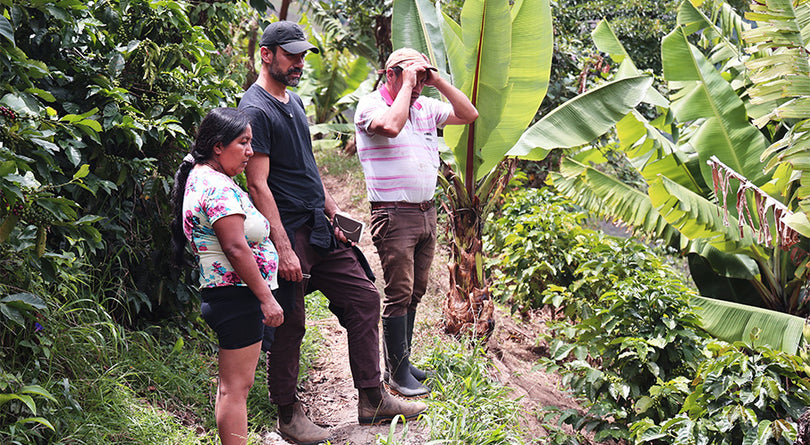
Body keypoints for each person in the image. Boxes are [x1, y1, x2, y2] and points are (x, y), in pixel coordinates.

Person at [238, 21, 427, 445]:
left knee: (363, 297)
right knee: (290, 323)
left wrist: (335, 212)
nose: (299, 63)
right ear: (266, 54)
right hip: (286, 232)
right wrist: (282, 247)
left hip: (319, 227)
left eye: (304, 56)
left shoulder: (295, 101)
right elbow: (258, 183)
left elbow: (308, 166)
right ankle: (288, 414)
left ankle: (372, 397)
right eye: (291, 56)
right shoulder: (256, 109)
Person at [354, 48, 478, 397]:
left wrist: (436, 79)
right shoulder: (371, 106)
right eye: (411, 76)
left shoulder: (425, 106)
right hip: (393, 213)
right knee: (399, 293)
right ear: (390, 74)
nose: (419, 85)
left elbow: (469, 114)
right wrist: (408, 82)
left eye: (422, 78)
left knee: (416, 291)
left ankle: (402, 363)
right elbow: (392, 127)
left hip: (426, 211)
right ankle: (395, 374)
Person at [169, 107, 284, 445]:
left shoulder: (204, 178)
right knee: (236, 389)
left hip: (228, 295)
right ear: (218, 146)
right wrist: (266, 298)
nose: (250, 151)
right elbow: (235, 248)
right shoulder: (216, 187)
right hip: (237, 297)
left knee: (231, 387)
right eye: (243, 142)